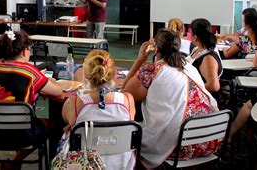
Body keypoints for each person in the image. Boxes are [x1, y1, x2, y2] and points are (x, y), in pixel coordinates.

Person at [122, 29, 219, 168]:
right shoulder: (189, 68)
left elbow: (124, 94)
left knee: (132, 132)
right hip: (210, 139)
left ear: (156, 49)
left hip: (179, 146)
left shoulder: (151, 71)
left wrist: (140, 60)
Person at [0, 30, 62, 167]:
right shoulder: (30, 71)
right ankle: (21, 162)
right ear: (25, 50)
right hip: (18, 136)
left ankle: (14, 163)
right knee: (51, 122)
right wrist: (48, 79)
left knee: (24, 117)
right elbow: (57, 91)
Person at [62, 50, 136, 169]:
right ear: (114, 73)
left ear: (86, 74)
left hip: (83, 165)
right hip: (121, 164)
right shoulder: (127, 100)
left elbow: (68, 120)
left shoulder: (75, 103)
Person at [188, 18, 223, 93]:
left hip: (202, 99)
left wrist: (188, 87)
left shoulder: (208, 58)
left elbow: (214, 86)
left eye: (190, 33)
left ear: (195, 37)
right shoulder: (197, 49)